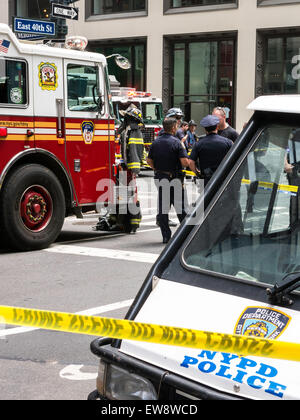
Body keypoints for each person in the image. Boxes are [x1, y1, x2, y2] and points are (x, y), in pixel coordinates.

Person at [147, 118, 190, 243]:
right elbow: (185, 162)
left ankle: (166, 236)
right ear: (173, 128)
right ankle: (184, 235)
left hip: (161, 177)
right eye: (176, 126)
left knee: (163, 209)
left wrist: (157, 169)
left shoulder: (156, 143)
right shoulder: (177, 143)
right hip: (175, 178)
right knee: (181, 208)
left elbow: (149, 160)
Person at [189, 115, 233, 186]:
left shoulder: (198, 144)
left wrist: (197, 173)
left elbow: (191, 162)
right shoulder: (228, 142)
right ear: (217, 127)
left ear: (205, 129)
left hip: (206, 180)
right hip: (223, 179)